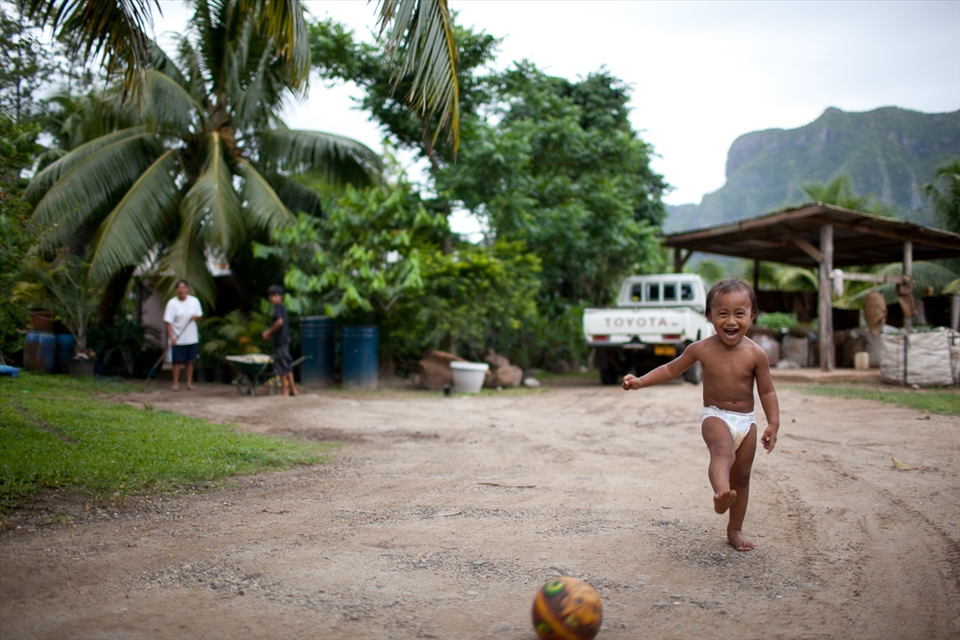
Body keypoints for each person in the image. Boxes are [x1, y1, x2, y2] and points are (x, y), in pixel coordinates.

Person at [621, 278, 780, 551]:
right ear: (709, 316)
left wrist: (773, 423)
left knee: (742, 475)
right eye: (723, 314)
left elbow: (767, 391)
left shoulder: (757, 354)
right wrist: (641, 381)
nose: (731, 321)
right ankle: (721, 493)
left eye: (739, 314)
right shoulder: (701, 349)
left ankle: (735, 529)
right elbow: (671, 369)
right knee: (723, 451)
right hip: (715, 415)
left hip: (747, 421)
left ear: (752, 315)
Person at [163, 280, 203, 391]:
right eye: (180, 288)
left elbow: (200, 316)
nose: (182, 290)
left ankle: (189, 384)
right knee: (176, 362)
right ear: (177, 290)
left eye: (184, 287)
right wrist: (171, 337)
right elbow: (168, 322)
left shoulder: (194, 301)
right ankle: (175, 384)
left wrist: (195, 317)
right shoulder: (172, 303)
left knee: (189, 362)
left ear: (187, 289)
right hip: (178, 338)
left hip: (191, 337)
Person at [262, 285, 296, 397]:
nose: (272, 298)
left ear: (280, 296)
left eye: (274, 295)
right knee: (287, 363)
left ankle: (284, 390)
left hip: (280, 341)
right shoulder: (281, 308)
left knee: (281, 363)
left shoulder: (278, 308)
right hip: (284, 340)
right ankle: (292, 389)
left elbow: (279, 322)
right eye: (271, 296)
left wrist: (268, 333)